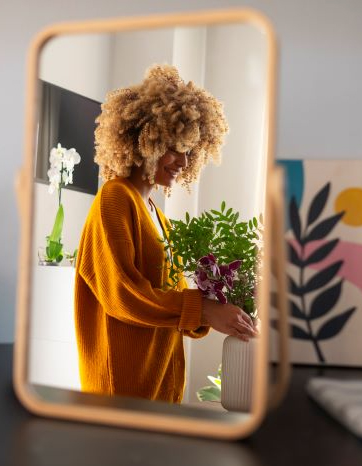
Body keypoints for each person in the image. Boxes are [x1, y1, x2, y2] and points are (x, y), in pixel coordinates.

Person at [74, 64, 257, 403]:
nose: (184, 162)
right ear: (144, 141)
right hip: (123, 390)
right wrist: (204, 310)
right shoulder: (115, 199)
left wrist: (221, 305)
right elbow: (123, 296)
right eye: (174, 147)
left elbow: (172, 297)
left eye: (190, 150)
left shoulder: (160, 217)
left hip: (161, 384)